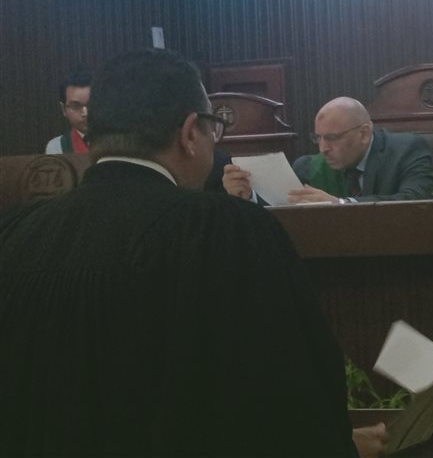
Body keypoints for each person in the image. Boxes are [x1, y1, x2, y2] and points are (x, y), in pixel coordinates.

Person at [0, 49, 386, 457]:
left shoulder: (15, 232)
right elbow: (283, 396)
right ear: (189, 134)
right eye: (212, 129)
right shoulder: (222, 230)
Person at [224, 97, 433, 204]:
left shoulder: (406, 151)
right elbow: (283, 211)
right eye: (318, 138)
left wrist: (340, 204)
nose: (323, 148)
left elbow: (416, 201)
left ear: (363, 134)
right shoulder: (307, 168)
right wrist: (248, 196)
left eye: (332, 138)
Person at [44, 71, 92, 154]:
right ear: (63, 109)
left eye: (91, 104)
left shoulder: (115, 143)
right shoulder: (56, 146)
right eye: (76, 106)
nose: (85, 113)